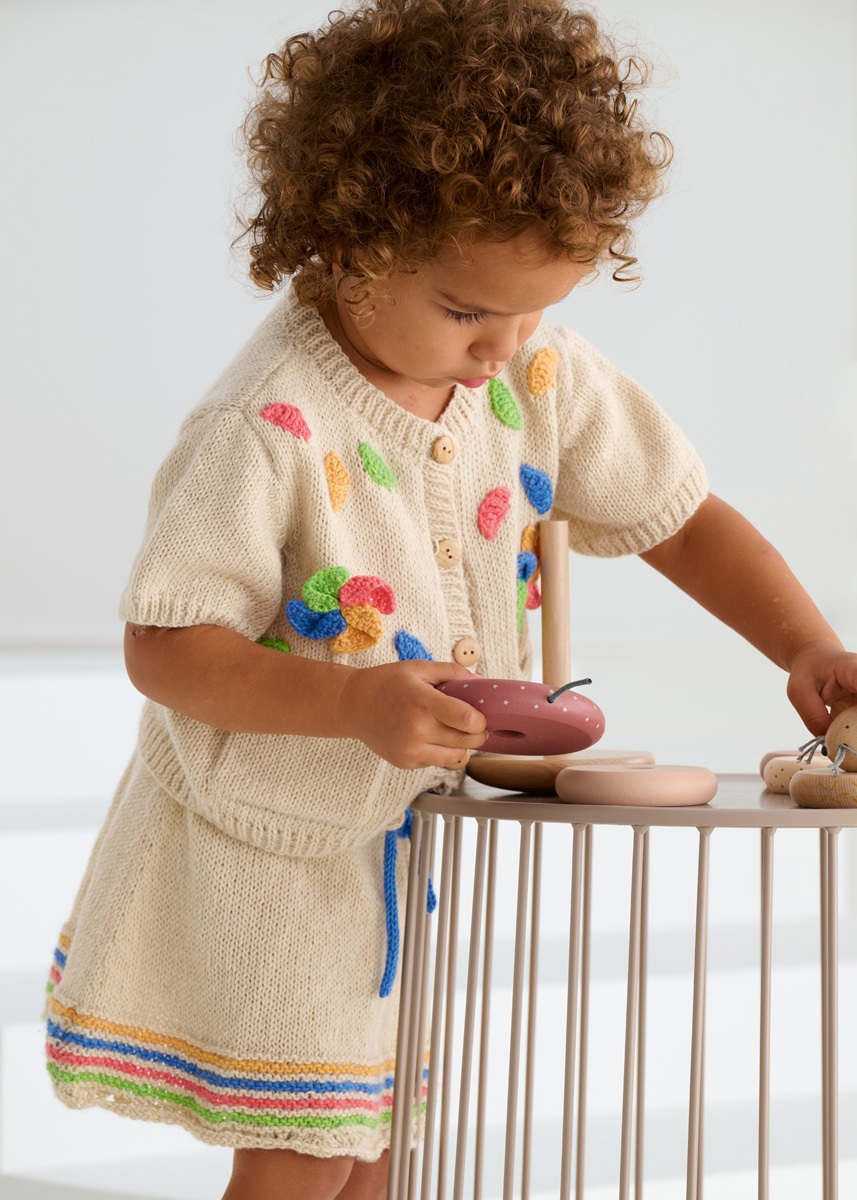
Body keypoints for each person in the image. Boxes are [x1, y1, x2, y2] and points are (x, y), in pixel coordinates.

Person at [43, 1, 857, 1197]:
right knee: (308, 1151)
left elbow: (680, 517)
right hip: (274, 853)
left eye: (534, 309)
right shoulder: (263, 428)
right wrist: (350, 703)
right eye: (467, 311)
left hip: (407, 845)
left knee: (384, 1146)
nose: (502, 348)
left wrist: (803, 644)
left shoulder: (533, 370)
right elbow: (167, 648)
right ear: (345, 244)